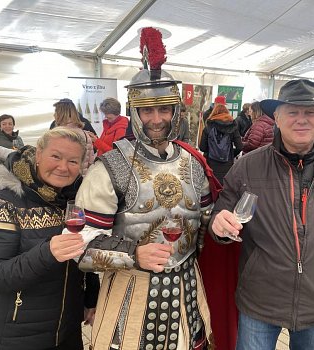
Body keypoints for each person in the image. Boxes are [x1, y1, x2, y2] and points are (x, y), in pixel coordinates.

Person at [75, 27, 214, 350]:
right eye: (147, 110)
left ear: (175, 111)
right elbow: (79, 246)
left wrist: (220, 226)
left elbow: (205, 224)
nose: (156, 119)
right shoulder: (110, 167)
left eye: (163, 109)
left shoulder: (194, 163)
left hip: (186, 292)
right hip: (131, 291)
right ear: (134, 112)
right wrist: (133, 254)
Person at [210, 79, 314, 350]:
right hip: (261, 297)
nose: (301, 120)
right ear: (278, 118)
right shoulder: (248, 166)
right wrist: (219, 224)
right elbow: (221, 213)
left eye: (310, 112)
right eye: (292, 112)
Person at [0, 127, 100, 350]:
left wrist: (91, 298)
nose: (63, 167)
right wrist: (47, 252)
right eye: (56, 156)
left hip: (68, 331)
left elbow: (83, 253)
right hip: (20, 335)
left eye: (73, 161)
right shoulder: (6, 200)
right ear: (38, 154)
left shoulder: (76, 198)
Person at [199, 104, 242, 184]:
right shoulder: (232, 126)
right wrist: (230, 154)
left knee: (211, 187)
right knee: (225, 188)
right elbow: (239, 146)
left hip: (211, 164)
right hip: (227, 164)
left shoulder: (209, 126)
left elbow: (202, 147)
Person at [52, 98, 95, 176]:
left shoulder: (57, 135)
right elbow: (90, 161)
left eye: (56, 111)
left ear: (60, 113)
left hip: (63, 178)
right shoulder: (85, 135)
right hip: (82, 179)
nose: (54, 114)